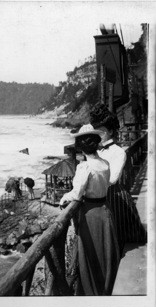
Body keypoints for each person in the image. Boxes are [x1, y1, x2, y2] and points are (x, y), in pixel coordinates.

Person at [59, 124, 120, 296]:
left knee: (92, 254)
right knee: (105, 252)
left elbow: (77, 195)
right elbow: (106, 184)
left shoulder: (84, 167)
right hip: (105, 211)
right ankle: (107, 287)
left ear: (80, 146)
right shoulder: (105, 163)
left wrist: (64, 197)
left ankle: (93, 291)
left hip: (90, 214)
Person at [90, 105, 147, 251]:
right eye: (96, 131)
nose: (98, 135)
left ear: (110, 131)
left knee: (116, 239)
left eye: (101, 131)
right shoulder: (95, 151)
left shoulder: (118, 152)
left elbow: (112, 179)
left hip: (114, 197)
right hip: (98, 196)